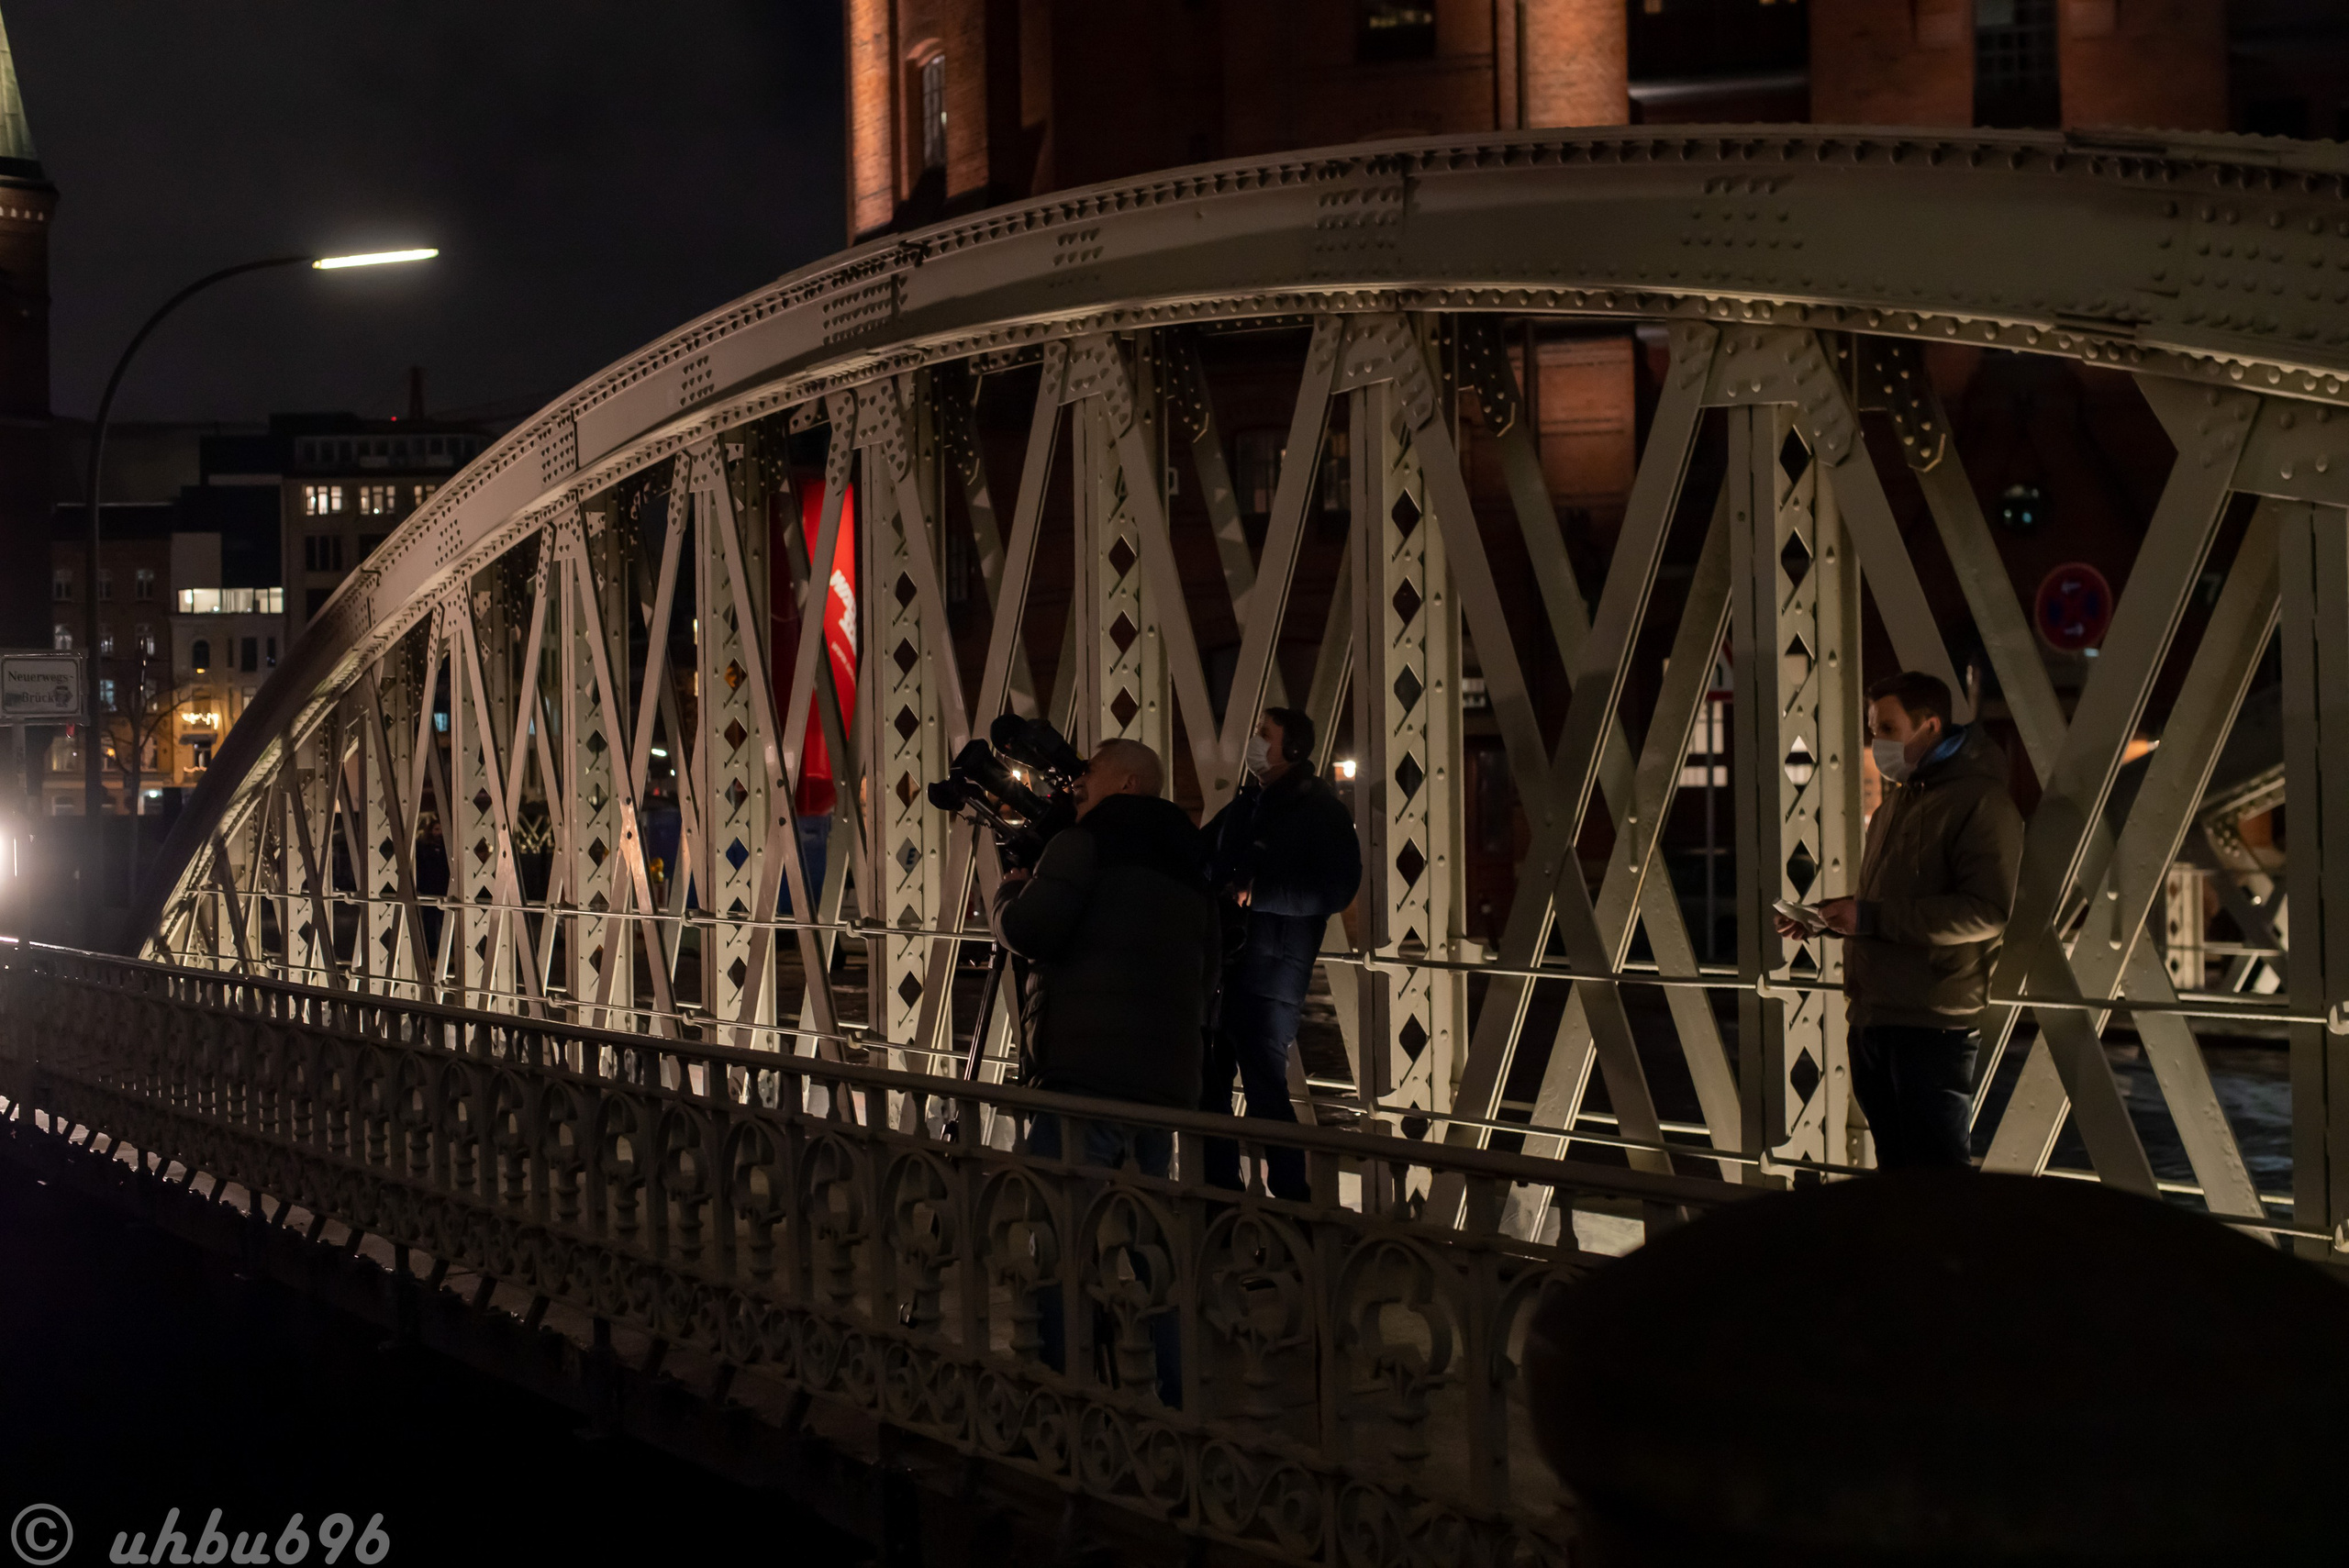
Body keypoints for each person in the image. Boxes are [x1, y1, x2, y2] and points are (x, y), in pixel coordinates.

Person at [989, 737, 1219, 1405]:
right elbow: (1209, 977)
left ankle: (1064, 1389)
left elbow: (1035, 929)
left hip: (1085, 1076)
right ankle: (1175, 1397)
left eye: (1089, 771)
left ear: (1126, 781)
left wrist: (1007, 899)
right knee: (1153, 1244)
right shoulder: (1192, 862)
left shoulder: (1084, 843)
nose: (1076, 783)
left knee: (1057, 1230)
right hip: (1165, 1084)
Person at [1775, 671, 2023, 1171]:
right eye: (1872, 729)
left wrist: (1866, 916)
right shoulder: (1898, 803)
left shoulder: (1980, 802)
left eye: (1887, 728)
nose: (1876, 743)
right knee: (1898, 1175)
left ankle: (1950, 1253)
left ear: (1930, 726)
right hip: (1875, 1015)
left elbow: (1986, 911)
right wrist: (1832, 918)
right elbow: (1890, 900)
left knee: (1935, 1181)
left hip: (1933, 1023)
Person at [1198, 706, 1363, 1200]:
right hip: (1229, 964)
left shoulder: (1320, 811)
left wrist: (1261, 892)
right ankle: (1222, 1194)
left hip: (1273, 972)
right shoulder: (1250, 803)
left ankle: (1293, 1200)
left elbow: (1335, 890)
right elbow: (1203, 855)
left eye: (1263, 733)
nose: (1253, 740)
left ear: (1291, 748)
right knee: (1211, 1086)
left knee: (1266, 1089)